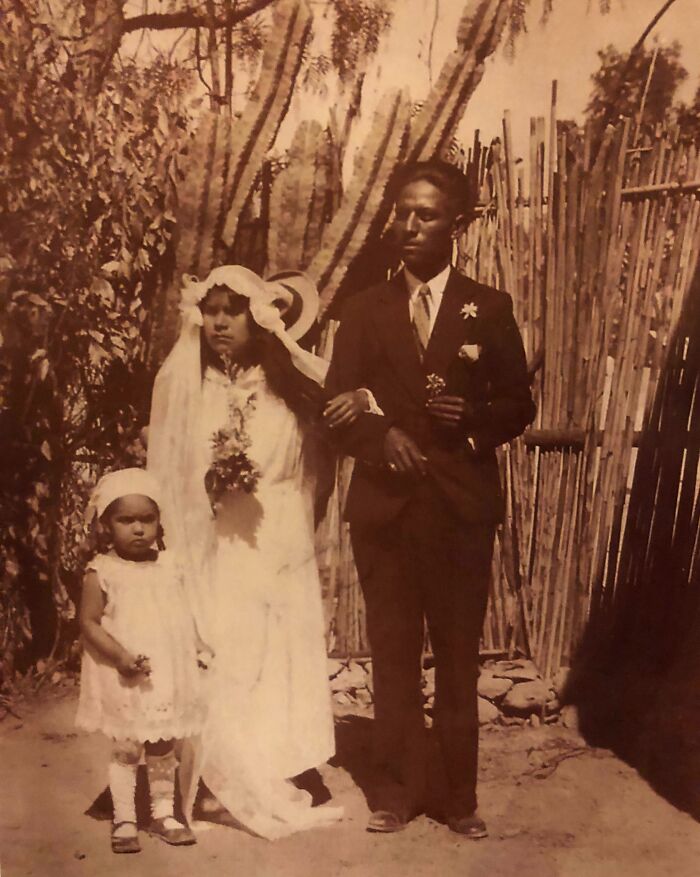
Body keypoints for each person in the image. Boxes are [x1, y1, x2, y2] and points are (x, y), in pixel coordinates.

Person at [324, 159, 536, 836]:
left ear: (458, 224)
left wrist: (470, 422)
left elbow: (518, 404)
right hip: (383, 509)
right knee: (390, 649)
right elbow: (336, 400)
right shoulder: (364, 308)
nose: (409, 226)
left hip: (458, 507)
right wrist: (380, 436)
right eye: (402, 212)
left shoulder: (489, 306)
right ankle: (395, 791)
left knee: (455, 651)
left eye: (427, 215)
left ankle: (456, 796)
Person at [147, 265, 344, 839]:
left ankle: (285, 759)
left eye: (234, 311)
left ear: (259, 319)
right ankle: (218, 772)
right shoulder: (190, 383)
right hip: (218, 535)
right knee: (229, 643)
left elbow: (322, 454)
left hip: (279, 528)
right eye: (212, 311)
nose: (221, 323)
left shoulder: (289, 383)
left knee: (280, 644)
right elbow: (172, 460)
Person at [76, 467, 212, 854]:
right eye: (126, 520)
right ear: (106, 525)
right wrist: (120, 656)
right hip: (123, 672)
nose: (138, 529)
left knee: (162, 743)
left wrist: (198, 646)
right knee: (126, 746)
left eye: (146, 519)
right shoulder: (102, 571)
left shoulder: (170, 566)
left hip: (164, 672)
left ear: (158, 522)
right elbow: (87, 621)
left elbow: (183, 615)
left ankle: (164, 813)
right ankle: (124, 819)